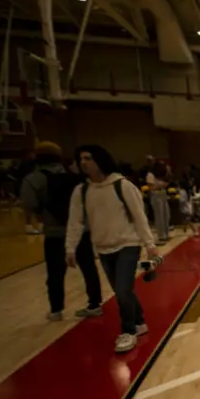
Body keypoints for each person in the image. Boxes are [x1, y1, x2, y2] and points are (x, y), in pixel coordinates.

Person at [66, 145, 158, 353]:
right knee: (121, 290)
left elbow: (139, 216)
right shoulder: (82, 191)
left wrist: (150, 245)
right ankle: (140, 321)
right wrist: (70, 248)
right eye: (81, 158)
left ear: (100, 160)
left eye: (88, 158)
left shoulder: (122, 186)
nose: (83, 162)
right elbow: (75, 221)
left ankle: (128, 331)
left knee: (123, 291)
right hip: (104, 247)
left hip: (128, 244)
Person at [20, 141, 103, 322]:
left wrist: (44, 212)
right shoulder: (75, 176)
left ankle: (56, 310)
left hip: (55, 233)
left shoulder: (34, 179)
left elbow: (29, 203)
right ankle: (95, 304)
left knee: (55, 273)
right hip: (81, 230)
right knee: (89, 268)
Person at [146, 159, 172, 245]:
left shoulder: (162, 176)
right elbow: (151, 188)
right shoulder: (150, 175)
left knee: (166, 215)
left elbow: (167, 183)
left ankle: (166, 234)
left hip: (163, 194)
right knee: (159, 216)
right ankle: (161, 235)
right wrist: (161, 185)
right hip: (156, 196)